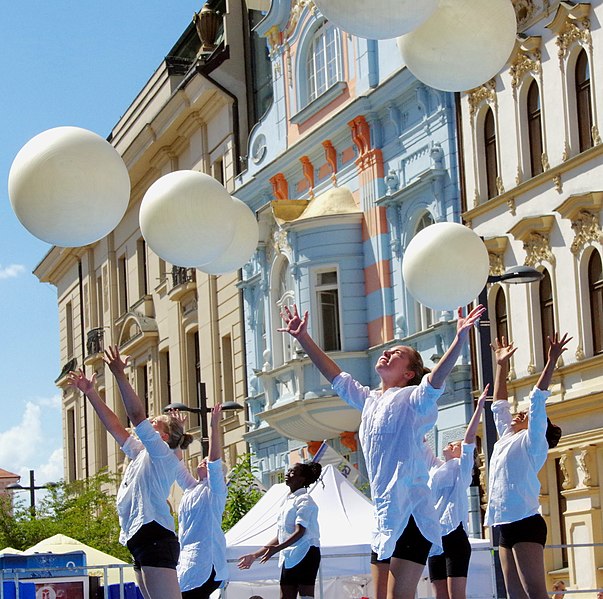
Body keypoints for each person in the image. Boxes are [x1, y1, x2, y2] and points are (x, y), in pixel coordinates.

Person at [278, 303, 485, 599]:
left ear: (409, 374)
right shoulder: (370, 400)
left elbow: (435, 382)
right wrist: (303, 338)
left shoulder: (414, 398)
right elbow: (338, 378)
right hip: (384, 517)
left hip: (412, 513)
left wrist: (459, 339)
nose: (387, 353)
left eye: (397, 354)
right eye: (388, 351)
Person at [67, 345, 197, 599]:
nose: (148, 422)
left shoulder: (161, 452)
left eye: (154, 422)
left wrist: (119, 374)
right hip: (141, 538)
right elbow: (115, 427)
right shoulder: (142, 454)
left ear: (162, 436)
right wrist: (91, 393)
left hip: (154, 536)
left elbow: (136, 414)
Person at [486, 335, 568, 599]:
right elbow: (499, 406)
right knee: (515, 596)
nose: (520, 414)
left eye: (528, 416)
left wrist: (552, 360)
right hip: (504, 523)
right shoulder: (507, 436)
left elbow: (536, 399)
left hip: (525, 521)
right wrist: (501, 366)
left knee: (535, 593)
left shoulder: (534, 442)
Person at [425, 384, 489, 599]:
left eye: (457, 444)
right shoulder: (435, 466)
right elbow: (420, 441)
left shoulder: (462, 470)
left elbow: (470, 439)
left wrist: (479, 408)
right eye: (452, 442)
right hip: (434, 536)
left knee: (456, 595)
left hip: (454, 535)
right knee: (439, 595)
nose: (452, 444)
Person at [238, 461, 323, 599]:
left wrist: (276, 549)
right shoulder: (286, 500)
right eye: (288, 471)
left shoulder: (305, 500)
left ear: (301, 479)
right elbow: (281, 535)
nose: (287, 474)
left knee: (306, 597)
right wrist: (255, 555)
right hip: (289, 556)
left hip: (306, 552)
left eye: (292, 472)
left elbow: (300, 532)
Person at [177, 404, 228, 598]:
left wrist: (215, 425)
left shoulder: (215, 491)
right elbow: (177, 464)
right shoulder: (191, 488)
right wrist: (180, 432)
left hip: (207, 561)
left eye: (206, 462)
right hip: (187, 560)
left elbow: (214, 460)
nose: (203, 461)